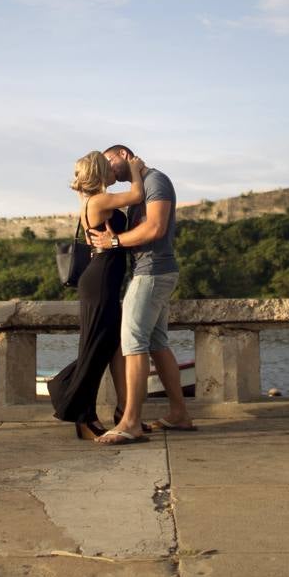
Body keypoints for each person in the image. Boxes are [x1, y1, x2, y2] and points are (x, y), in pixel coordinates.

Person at [89, 145, 195, 444]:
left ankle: (131, 422)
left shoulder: (155, 181)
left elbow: (156, 228)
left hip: (152, 273)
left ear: (123, 154)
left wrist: (114, 242)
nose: (108, 170)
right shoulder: (142, 186)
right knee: (157, 343)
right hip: (152, 272)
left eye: (109, 162)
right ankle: (179, 414)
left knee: (133, 343)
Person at [46, 151, 144, 439]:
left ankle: (95, 412)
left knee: (104, 344)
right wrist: (136, 169)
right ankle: (75, 406)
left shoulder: (89, 199)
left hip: (104, 278)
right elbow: (137, 194)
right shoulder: (99, 200)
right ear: (101, 173)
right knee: (97, 346)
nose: (115, 171)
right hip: (100, 279)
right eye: (108, 168)